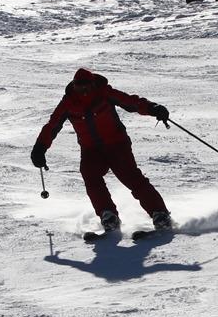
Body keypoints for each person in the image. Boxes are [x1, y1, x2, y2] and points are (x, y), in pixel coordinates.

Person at [31, 68, 175, 235]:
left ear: (93, 84)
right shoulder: (68, 103)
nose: (84, 91)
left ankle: (160, 214)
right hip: (91, 150)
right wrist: (40, 148)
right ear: (74, 86)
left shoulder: (104, 93)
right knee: (90, 175)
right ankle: (108, 215)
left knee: (131, 177)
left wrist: (153, 108)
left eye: (87, 86)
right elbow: (52, 126)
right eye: (80, 87)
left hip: (117, 145)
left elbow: (131, 102)